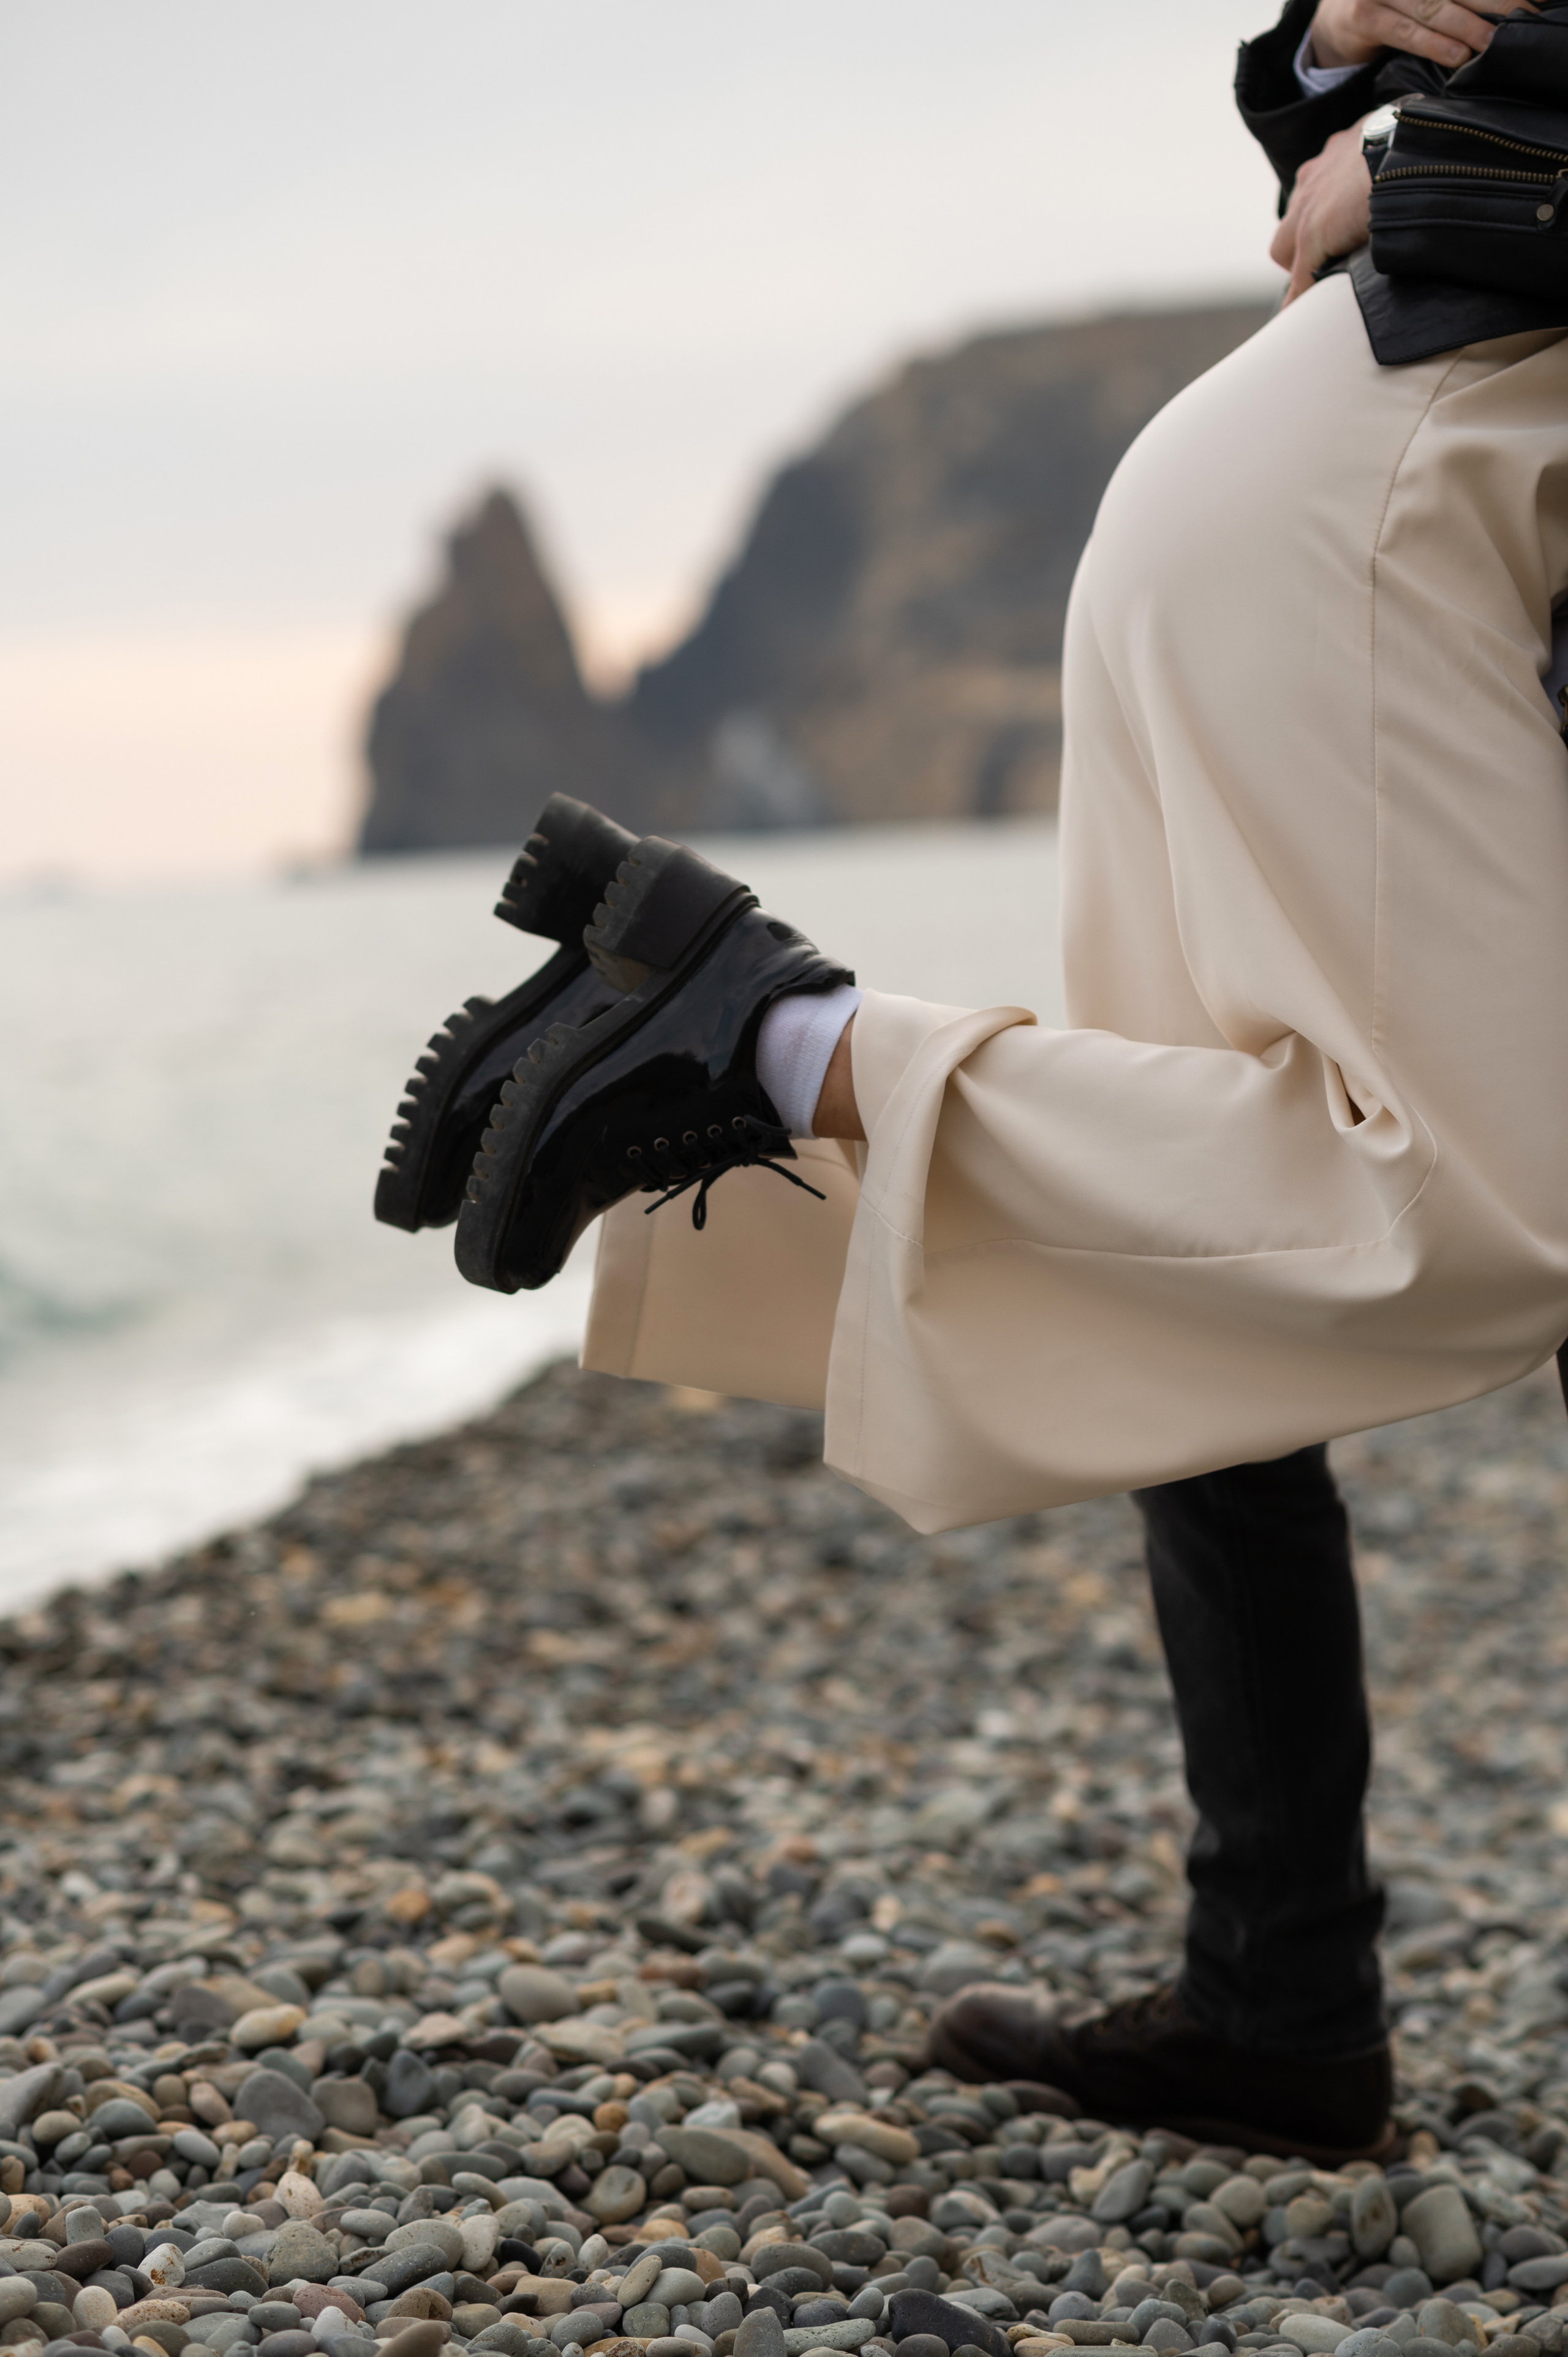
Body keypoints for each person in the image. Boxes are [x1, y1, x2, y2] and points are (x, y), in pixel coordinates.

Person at [380, 0, 1568, 2160]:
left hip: (1371, 489)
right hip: (1379, 495)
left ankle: (1276, 1996)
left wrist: (1370, 88)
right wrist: (1396, 125)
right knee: (1466, 1214)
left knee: (1203, 1233)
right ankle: (754, 1028)